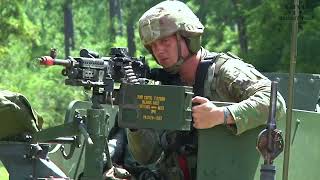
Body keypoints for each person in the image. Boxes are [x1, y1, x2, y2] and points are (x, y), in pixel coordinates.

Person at [127, 0, 286, 179]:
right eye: (153, 46)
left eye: (165, 41)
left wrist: (221, 115)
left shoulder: (224, 71)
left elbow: (275, 101)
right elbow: (148, 156)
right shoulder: (165, 85)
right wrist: (135, 123)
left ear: (188, 37)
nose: (159, 51)